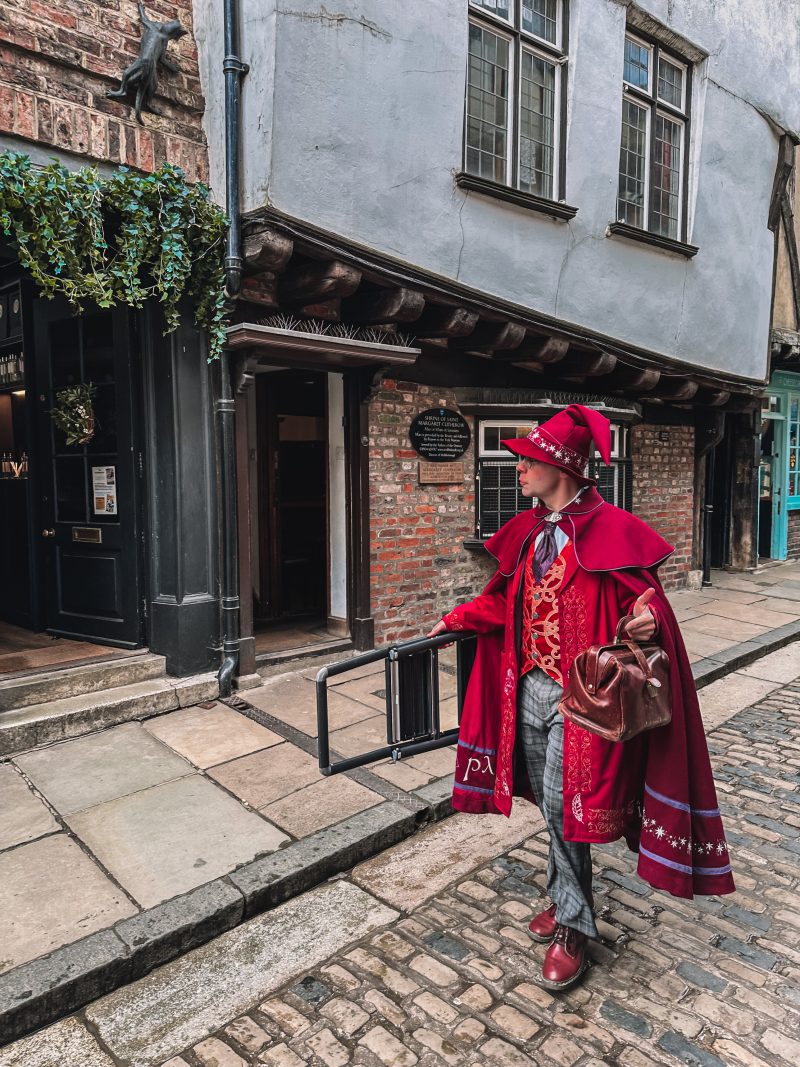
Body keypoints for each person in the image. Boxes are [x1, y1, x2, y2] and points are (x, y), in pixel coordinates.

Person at [428, 404, 734, 992]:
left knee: (564, 804)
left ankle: (573, 924)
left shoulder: (612, 531)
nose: (517, 469)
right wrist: (458, 617)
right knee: (550, 806)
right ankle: (565, 896)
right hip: (529, 688)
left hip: (585, 701)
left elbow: (644, 609)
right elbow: (508, 604)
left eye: (527, 461)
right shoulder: (531, 532)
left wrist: (642, 622)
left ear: (559, 466)